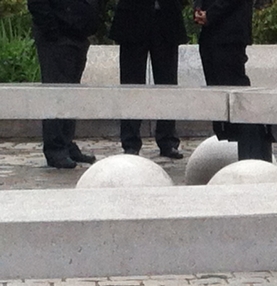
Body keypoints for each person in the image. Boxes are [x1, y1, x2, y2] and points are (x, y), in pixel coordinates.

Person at [194, 0, 272, 161]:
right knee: (217, 90)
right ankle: (233, 138)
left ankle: (252, 151)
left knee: (237, 90)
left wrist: (211, 14)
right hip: (209, 35)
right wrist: (198, 8)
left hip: (231, 32)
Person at [26, 0, 101, 169]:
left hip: (78, 34)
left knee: (71, 93)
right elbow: (37, 4)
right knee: (56, 92)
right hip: (57, 36)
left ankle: (66, 143)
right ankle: (55, 148)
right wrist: (53, 30)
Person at [110, 0, 188, 158]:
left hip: (166, 19)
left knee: (167, 84)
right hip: (132, 19)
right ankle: (130, 142)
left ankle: (168, 140)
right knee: (131, 85)